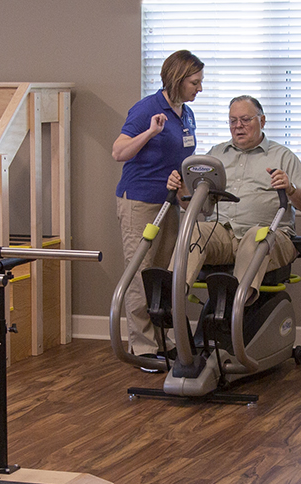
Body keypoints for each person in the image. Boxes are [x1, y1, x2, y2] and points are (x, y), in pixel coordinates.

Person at [163, 95, 301, 293]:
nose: (238, 126)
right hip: (223, 235)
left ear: (262, 120)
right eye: (233, 121)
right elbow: (197, 207)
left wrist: (291, 189)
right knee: (193, 230)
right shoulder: (215, 155)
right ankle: (171, 297)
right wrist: (180, 189)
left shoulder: (283, 156)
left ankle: (237, 304)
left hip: (269, 235)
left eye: (245, 119)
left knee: (256, 236)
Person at [113, 50, 202, 366]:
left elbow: (183, 161)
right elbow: (119, 151)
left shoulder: (186, 113)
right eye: (195, 82)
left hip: (170, 203)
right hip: (140, 203)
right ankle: (145, 348)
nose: (199, 89)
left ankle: (166, 341)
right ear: (178, 79)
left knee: (165, 275)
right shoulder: (146, 109)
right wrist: (150, 131)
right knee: (140, 274)